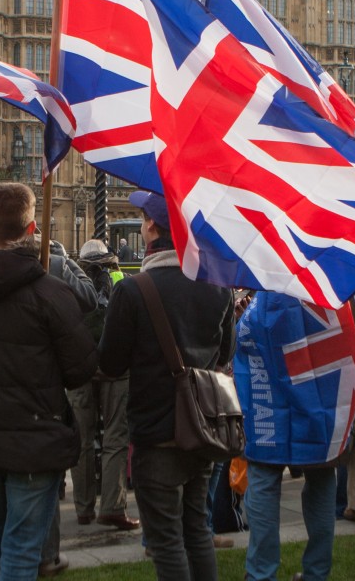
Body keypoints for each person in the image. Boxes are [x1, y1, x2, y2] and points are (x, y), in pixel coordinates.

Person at [0, 182, 98, 580]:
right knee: (22, 548)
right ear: (31, 230)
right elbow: (81, 369)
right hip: (33, 438)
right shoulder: (50, 293)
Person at [98, 190, 235, 581]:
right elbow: (226, 352)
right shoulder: (217, 286)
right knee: (196, 531)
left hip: (156, 433)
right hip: (203, 431)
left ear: (153, 228)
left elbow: (109, 363)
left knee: (166, 542)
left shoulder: (132, 290)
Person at [235, 287, 355, 581]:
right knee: (322, 475)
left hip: (269, 399)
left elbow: (245, 335)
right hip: (324, 393)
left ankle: (261, 574)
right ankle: (316, 573)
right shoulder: (337, 267)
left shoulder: (270, 274)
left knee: (264, 475)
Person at [69, 239, 138, 531]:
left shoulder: (71, 284)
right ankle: (112, 506)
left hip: (81, 368)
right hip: (115, 368)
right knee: (115, 438)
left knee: (81, 441)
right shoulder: (123, 280)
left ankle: (84, 508)